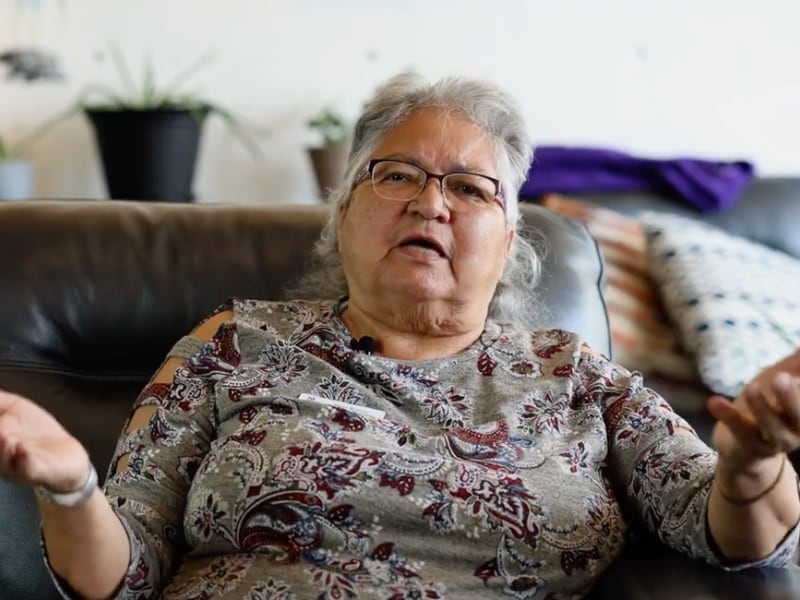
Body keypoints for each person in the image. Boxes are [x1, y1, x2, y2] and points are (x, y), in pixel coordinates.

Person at [0, 72, 799, 600]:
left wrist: (751, 464)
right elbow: (123, 573)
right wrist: (71, 488)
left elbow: (732, 531)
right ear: (342, 214)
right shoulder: (233, 343)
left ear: (510, 243)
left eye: (471, 188)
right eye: (397, 175)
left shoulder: (574, 375)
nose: (431, 203)